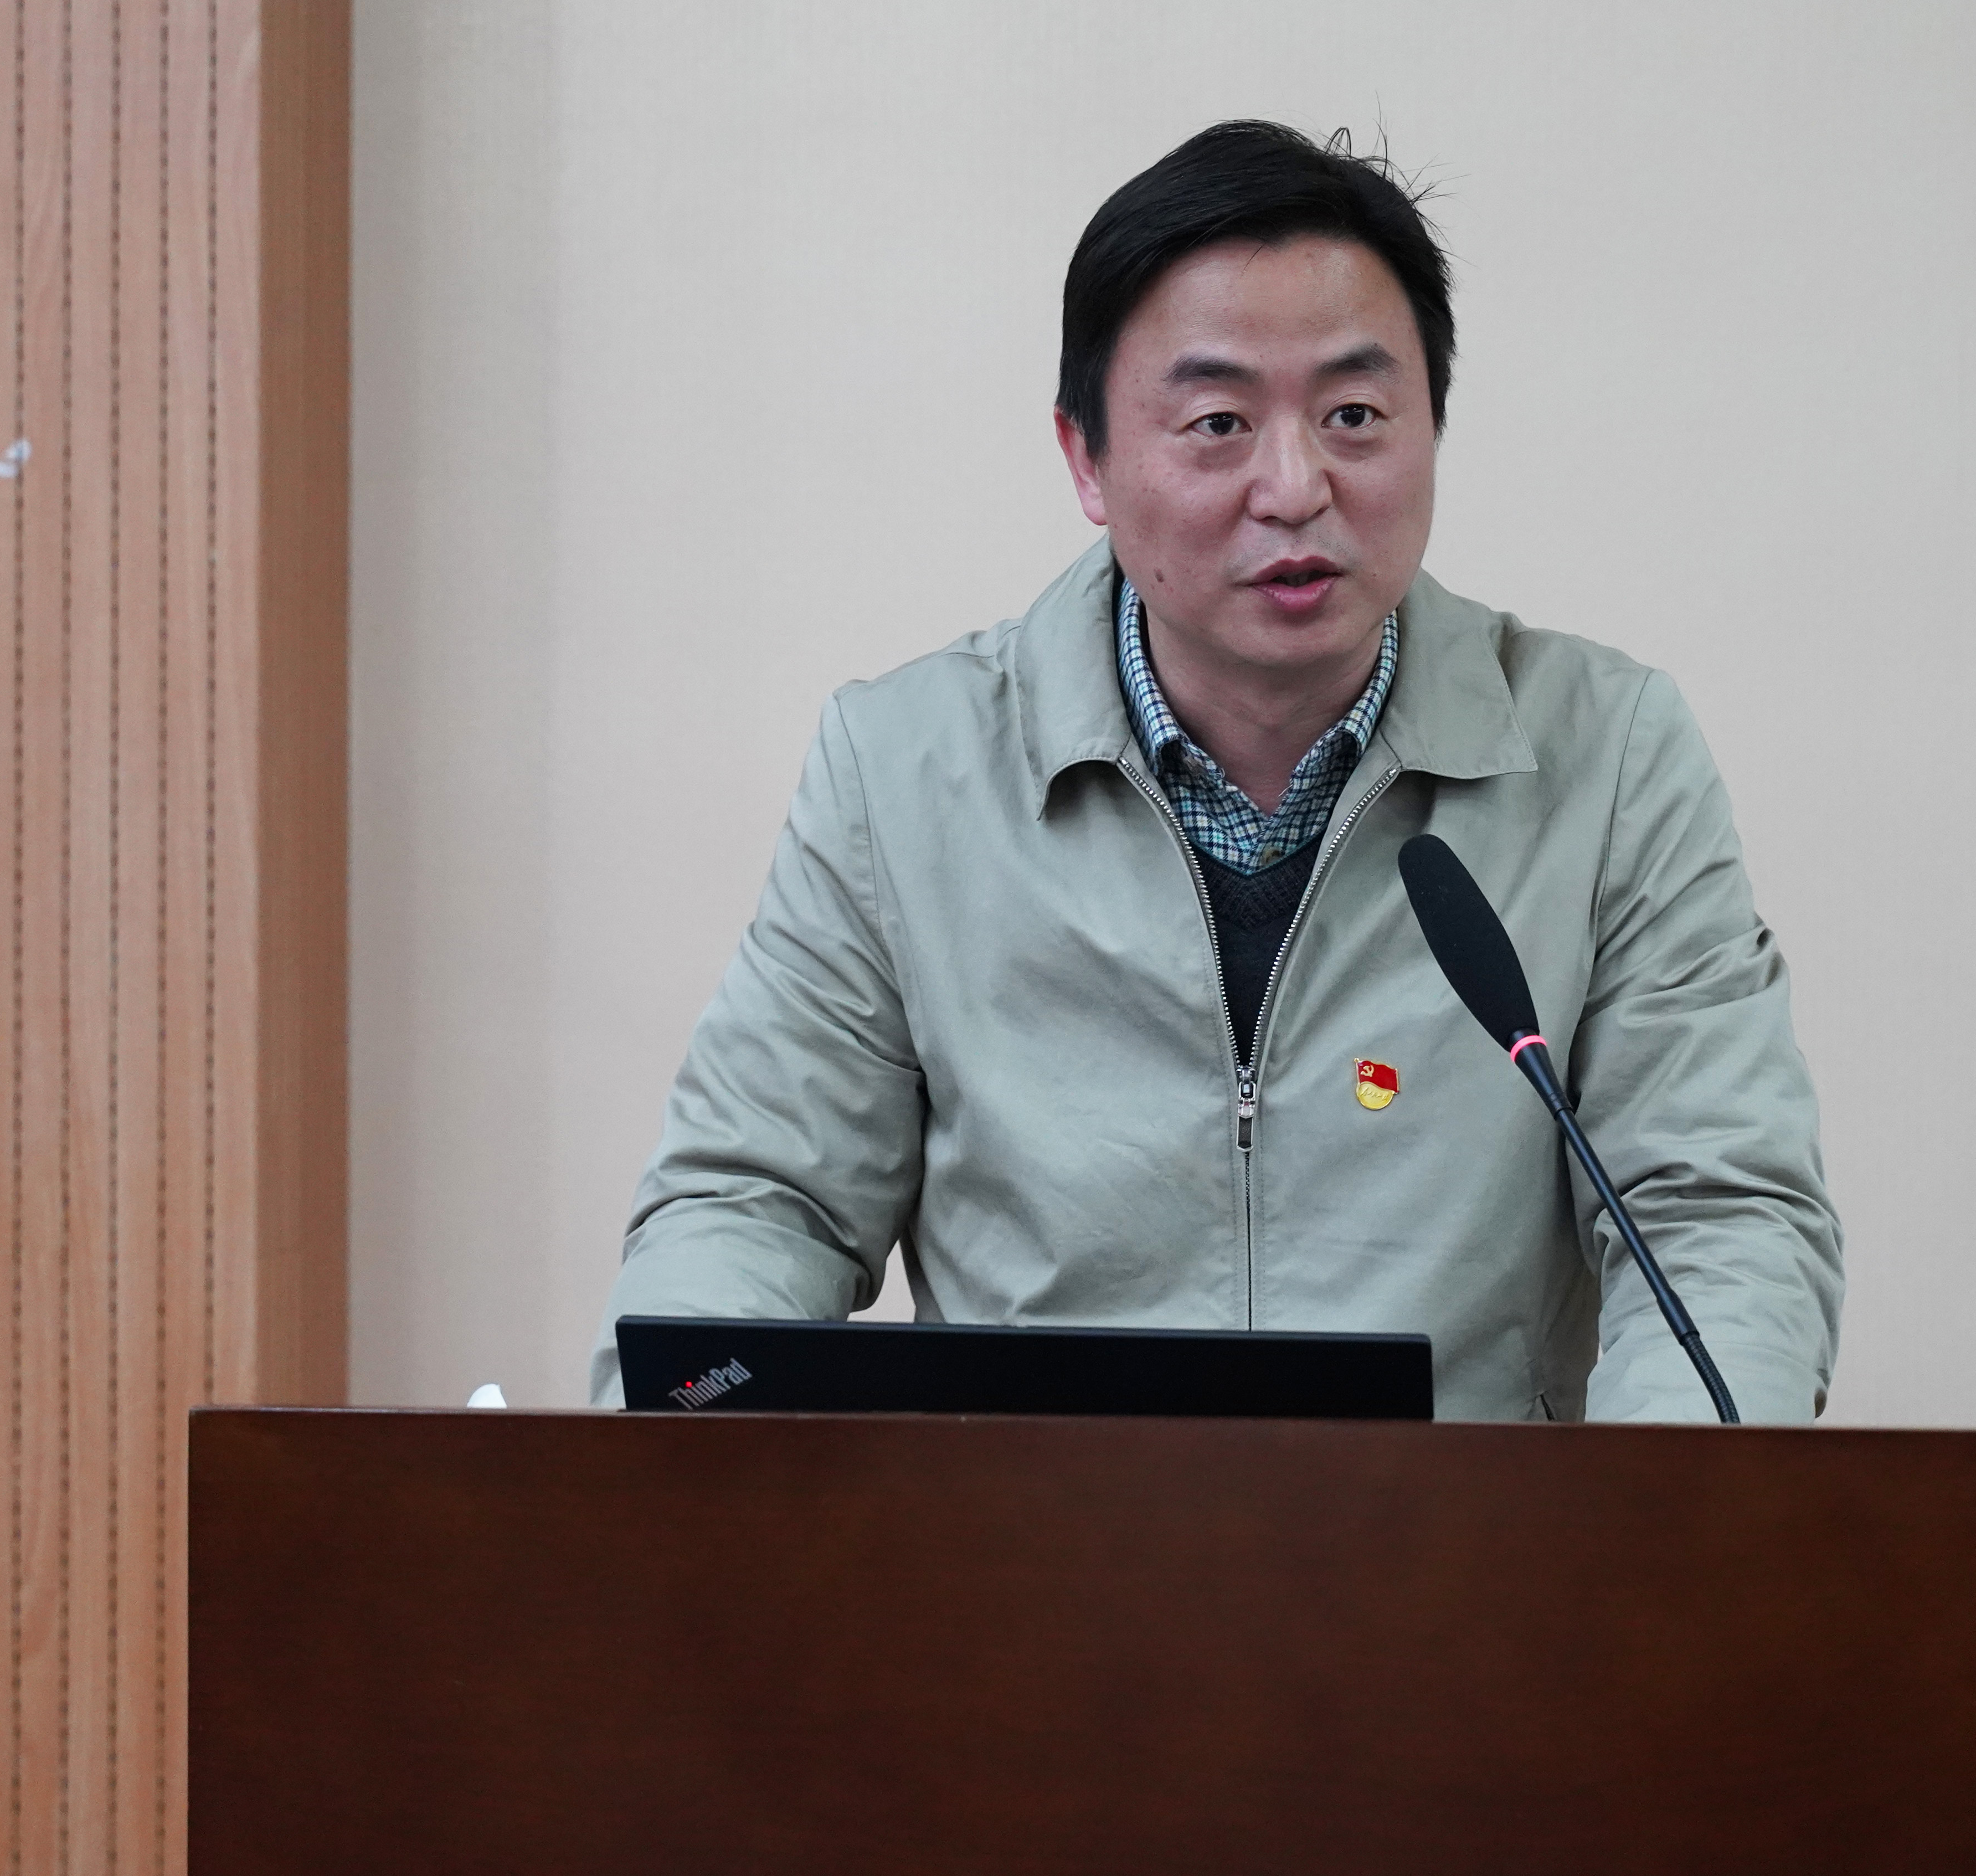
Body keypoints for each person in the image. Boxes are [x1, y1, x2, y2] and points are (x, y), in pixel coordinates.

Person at [588, 121, 1843, 1421]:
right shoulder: (904, 775)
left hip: (1469, 1547)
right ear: (1086, 458)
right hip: (1024, 1546)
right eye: (1218, 422)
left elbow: (1717, 1216)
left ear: (1433, 424)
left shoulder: (1607, 756)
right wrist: (674, 1469)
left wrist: (1666, 1525)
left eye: (1354, 415)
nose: (1295, 486)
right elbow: (760, 1203)